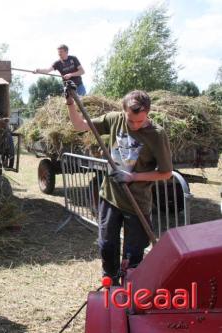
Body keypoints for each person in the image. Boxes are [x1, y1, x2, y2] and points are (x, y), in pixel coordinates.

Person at [65, 89, 173, 284]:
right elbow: (79, 125)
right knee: (106, 246)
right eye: (131, 120)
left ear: (148, 112)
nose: (135, 125)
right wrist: (71, 103)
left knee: (133, 256)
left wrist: (133, 176)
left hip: (137, 203)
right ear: (123, 111)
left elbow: (166, 172)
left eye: (140, 121)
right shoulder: (114, 119)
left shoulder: (157, 135)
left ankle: (130, 289)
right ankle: (110, 284)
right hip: (110, 196)